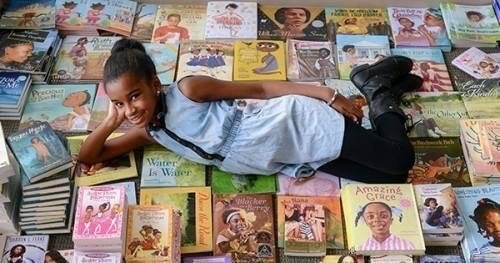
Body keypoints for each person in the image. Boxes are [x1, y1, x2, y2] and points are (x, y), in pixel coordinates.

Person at [78, 38, 420, 184]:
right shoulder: (149, 131)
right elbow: (88, 157)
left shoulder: (188, 89)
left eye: (134, 96)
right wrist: (111, 121)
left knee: (399, 161)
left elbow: (259, 88)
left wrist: (326, 94)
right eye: (120, 103)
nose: (131, 109)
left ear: (154, 83)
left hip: (294, 125)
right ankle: (385, 92)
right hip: (285, 154)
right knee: (389, 178)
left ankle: (375, 90)